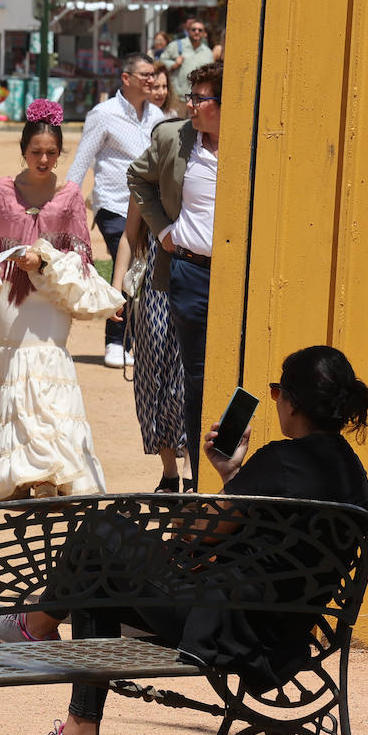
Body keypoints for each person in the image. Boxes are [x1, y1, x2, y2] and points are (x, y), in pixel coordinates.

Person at [0, 345, 368, 735]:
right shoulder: (351, 472)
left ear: (295, 401)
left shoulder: (281, 462)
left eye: (276, 392)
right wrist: (234, 478)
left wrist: (229, 480)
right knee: (95, 575)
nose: (277, 401)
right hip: (277, 636)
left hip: (220, 627)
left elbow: (189, 539)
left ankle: (36, 626)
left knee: (101, 532)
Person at [0, 100, 124, 502]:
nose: (43, 159)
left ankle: (48, 472)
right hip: (11, 295)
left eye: (51, 153)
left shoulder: (73, 195)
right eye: (36, 152)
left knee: (47, 365)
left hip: (50, 298)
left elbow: (81, 258)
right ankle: (16, 474)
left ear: (61, 154)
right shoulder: (4, 190)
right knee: (12, 363)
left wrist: (43, 260)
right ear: (22, 151)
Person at [129, 61, 222, 491]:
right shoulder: (173, 137)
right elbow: (138, 179)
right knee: (195, 377)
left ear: (224, 105)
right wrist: (163, 230)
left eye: (200, 97)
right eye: (192, 95)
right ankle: (198, 482)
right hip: (187, 272)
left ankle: (231, 476)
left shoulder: (256, 146)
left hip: (237, 280)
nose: (191, 104)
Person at [64, 53, 164, 369]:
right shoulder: (103, 114)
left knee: (145, 274)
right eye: (146, 75)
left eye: (153, 75)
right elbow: (82, 160)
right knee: (130, 265)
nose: (152, 80)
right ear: (126, 78)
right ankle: (116, 341)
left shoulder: (158, 116)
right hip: (113, 205)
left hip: (149, 207)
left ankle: (135, 341)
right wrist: (66, 203)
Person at [111, 199, 187, 492]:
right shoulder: (149, 174)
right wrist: (117, 286)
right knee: (151, 382)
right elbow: (131, 235)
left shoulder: (208, 171)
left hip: (196, 287)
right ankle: (169, 473)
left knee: (185, 383)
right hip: (154, 295)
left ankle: (190, 470)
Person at [160, 18, 214, 102]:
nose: (197, 32)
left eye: (200, 30)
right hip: (177, 98)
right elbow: (160, 63)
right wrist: (173, 64)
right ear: (188, 31)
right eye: (193, 29)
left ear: (204, 33)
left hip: (197, 100)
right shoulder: (176, 46)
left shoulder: (208, 53)